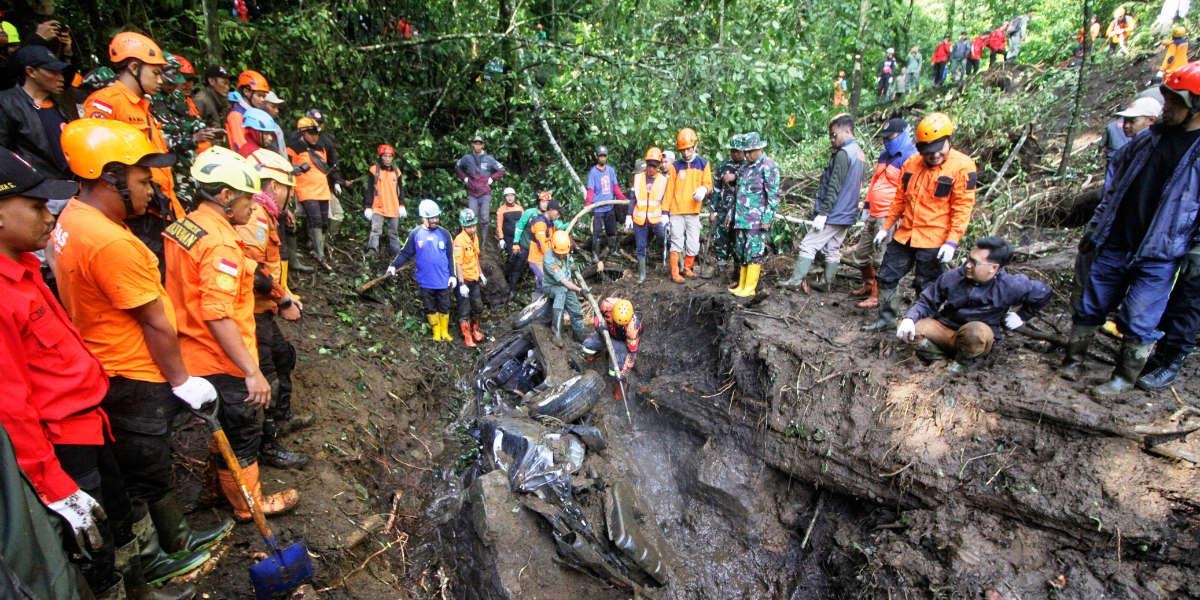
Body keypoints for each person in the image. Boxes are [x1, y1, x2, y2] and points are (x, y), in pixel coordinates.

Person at [0, 149, 207, 600]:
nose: (47, 215)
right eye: (35, 207)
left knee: (115, 516)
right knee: (90, 543)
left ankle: (142, 589)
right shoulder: (8, 289)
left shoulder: (25, 266)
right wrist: (53, 486)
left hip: (91, 414)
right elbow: (9, 403)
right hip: (63, 435)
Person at [54, 119, 237, 561]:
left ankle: (176, 538)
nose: (150, 190)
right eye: (140, 180)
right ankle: (153, 557)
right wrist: (181, 380)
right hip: (131, 370)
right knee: (144, 467)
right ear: (109, 177)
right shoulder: (109, 241)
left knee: (147, 463)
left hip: (108, 360)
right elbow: (154, 320)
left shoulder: (71, 220)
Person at [163, 147, 300, 521]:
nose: (252, 206)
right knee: (243, 429)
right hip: (220, 356)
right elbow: (218, 312)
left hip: (190, 346)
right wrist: (251, 371)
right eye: (246, 198)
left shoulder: (185, 226)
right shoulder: (220, 243)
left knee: (218, 423)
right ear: (225, 196)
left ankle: (217, 487)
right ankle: (247, 505)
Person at [1061, 62, 1200, 398]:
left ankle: (1123, 378)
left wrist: (1197, 248)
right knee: (1091, 303)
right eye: (1165, 98)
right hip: (1116, 241)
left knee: (1140, 317)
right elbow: (1114, 190)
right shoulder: (1145, 141)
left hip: (1160, 253)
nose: (1165, 106)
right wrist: (1096, 227)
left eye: (1173, 101)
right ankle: (1073, 358)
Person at [864, 113, 978, 331]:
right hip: (906, 233)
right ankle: (886, 320)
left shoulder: (963, 167)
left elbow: (962, 208)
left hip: (935, 238)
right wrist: (886, 226)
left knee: (927, 285)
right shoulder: (911, 164)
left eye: (938, 148)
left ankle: (923, 327)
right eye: (928, 150)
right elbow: (899, 199)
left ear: (949, 140)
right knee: (886, 275)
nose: (934, 155)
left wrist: (952, 241)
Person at [236, 149, 312, 469]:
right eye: (288, 189)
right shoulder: (255, 217)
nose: (289, 196)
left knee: (284, 356)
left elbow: (267, 268)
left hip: (263, 307)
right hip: (251, 311)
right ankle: (268, 444)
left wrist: (284, 296)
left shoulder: (264, 214)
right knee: (268, 377)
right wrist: (282, 300)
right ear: (275, 187)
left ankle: (282, 417)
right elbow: (250, 270)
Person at [897, 236, 1052, 372]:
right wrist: (909, 319)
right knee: (908, 329)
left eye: (975, 263)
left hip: (978, 337)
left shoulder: (1011, 285)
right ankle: (938, 359)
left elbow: (1044, 292)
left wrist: (1021, 316)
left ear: (994, 268)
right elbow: (926, 301)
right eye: (969, 259)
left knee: (974, 332)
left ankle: (960, 364)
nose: (968, 265)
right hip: (946, 329)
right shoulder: (953, 277)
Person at [82, 32, 185, 227]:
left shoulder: (144, 106)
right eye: (155, 73)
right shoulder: (107, 102)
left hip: (159, 204)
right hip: (132, 210)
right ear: (134, 67)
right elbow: (94, 162)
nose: (161, 81)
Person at [780, 114, 865, 292]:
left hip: (835, 212)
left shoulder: (844, 154)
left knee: (809, 244)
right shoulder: (859, 153)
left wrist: (824, 213)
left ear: (847, 131)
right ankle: (826, 283)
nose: (832, 139)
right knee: (833, 247)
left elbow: (834, 186)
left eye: (834, 135)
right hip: (848, 212)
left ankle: (795, 282)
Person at [846, 118, 917, 308]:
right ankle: (869, 284)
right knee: (861, 254)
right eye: (883, 138)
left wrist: (903, 218)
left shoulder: (912, 157)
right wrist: (867, 207)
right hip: (874, 214)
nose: (886, 142)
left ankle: (877, 296)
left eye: (890, 138)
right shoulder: (884, 155)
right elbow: (874, 183)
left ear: (902, 135)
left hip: (890, 216)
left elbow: (909, 193)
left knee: (881, 258)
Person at [0, 44, 75, 180]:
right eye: (53, 72)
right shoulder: (6, 103)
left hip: (71, 186)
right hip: (38, 190)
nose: (61, 78)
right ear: (31, 72)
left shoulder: (60, 104)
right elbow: (3, 155)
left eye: (62, 73)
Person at [387, 199, 456, 341]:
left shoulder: (445, 234)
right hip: (425, 280)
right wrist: (394, 265)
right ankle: (436, 331)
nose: (436, 220)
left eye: (437, 217)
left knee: (444, 305)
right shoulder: (415, 234)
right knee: (430, 306)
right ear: (424, 218)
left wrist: (452, 275)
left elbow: (451, 256)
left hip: (442, 279)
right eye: (432, 218)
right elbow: (405, 253)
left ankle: (445, 331)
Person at [729, 132, 780, 298]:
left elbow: (773, 195)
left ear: (759, 148)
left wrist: (767, 218)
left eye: (750, 151)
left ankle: (750, 287)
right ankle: (742, 284)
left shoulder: (768, 165)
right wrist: (732, 214)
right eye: (746, 152)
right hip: (741, 218)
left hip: (756, 220)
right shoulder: (745, 167)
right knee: (742, 251)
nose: (747, 154)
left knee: (754, 251)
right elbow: (738, 194)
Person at [665, 127, 713, 283]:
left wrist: (704, 189)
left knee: (693, 242)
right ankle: (675, 273)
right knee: (676, 242)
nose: (686, 153)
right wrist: (665, 212)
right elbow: (669, 190)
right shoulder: (675, 166)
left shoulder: (703, 164)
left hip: (693, 211)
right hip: (677, 211)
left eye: (688, 149)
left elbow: (708, 183)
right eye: (683, 150)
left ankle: (687, 268)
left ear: (694, 146)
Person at [288, 116, 333, 267]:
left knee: (325, 222)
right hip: (306, 190)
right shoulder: (294, 147)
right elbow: (289, 169)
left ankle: (323, 248)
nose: (314, 137)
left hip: (323, 189)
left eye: (316, 134)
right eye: (311, 133)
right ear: (302, 132)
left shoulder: (321, 147)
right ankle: (319, 253)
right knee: (316, 221)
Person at [582, 297, 642, 399]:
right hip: (606, 331)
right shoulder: (607, 305)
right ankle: (599, 352)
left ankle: (619, 386)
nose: (619, 325)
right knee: (588, 346)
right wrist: (599, 327)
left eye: (621, 324)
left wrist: (624, 373)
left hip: (621, 341)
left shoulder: (633, 330)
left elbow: (632, 354)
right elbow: (597, 313)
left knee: (616, 368)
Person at [627, 147, 669, 283]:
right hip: (639, 218)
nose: (652, 169)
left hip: (656, 218)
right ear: (647, 165)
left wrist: (665, 214)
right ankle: (642, 275)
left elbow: (666, 199)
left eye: (655, 166)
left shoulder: (663, 180)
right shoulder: (638, 178)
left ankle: (671, 265)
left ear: (658, 166)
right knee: (641, 246)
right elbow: (633, 198)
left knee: (665, 239)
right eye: (650, 166)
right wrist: (628, 215)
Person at [455, 135, 506, 245]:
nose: (477, 146)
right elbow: (457, 166)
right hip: (472, 192)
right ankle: (474, 240)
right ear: (472, 144)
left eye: (479, 143)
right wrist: (464, 178)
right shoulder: (467, 158)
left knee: (485, 217)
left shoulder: (489, 159)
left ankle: (484, 241)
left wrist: (492, 178)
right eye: (475, 143)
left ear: (482, 145)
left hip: (485, 193)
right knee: (472, 216)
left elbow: (501, 169)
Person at [539, 230, 587, 342]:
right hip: (552, 286)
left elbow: (568, 266)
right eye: (559, 253)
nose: (562, 255)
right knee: (560, 293)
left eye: (564, 253)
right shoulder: (549, 259)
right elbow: (564, 282)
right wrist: (580, 290)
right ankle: (556, 333)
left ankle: (581, 338)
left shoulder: (564, 250)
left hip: (567, 285)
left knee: (575, 308)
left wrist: (573, 269)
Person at [585, 145, 627, 264]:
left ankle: (613, 251)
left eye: (604, 156)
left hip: (609, 207)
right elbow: (590, 191)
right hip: (597, 208)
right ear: (596, 157)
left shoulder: (610, 170)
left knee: (612, 230)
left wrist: (623, 199)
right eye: (600, 156)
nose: (602, 158)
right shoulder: (593, 172)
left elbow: (615, 187)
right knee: (597, 233)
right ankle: (595, 255)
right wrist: (587, 205)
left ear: (607, 157)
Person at [712, 134, 745, 279]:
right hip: (723, 209)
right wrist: (713, 209)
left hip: (741, 212)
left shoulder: (748, 166)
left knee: (739, 241)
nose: (735, 154)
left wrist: (736, 177)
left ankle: (738, 272)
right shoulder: (723, 165)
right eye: (733, 150)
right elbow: (716, 189)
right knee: (721, 240)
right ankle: (722, 271)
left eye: (738, 151)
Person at [364, 144, 407, 256]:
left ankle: (396, 253)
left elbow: (401, 190)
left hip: (393, 206)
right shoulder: (374, 170)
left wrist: (402, 205)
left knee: (394, 232)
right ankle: (372, 250)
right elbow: (369, 189)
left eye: (390, 156)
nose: (387, 159)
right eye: (385, 156)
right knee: (375, 229)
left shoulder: (397, 172)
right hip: (378, 205)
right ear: (380, 157)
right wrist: (368, 206)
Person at [453, 208, 486, 348]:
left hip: (474, 279)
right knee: (464, 309)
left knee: (478, 306)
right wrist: (461, 284)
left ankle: (475, 329)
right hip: (465, 279)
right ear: (463, 226)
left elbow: (475, 257)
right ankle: (467, 337)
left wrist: (481, 273)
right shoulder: (459, 241)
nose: (472, 229)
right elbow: (458, 264)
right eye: (469, 226)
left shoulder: (475, 237)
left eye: (473, 226)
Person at [225, 69, 270, 155]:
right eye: (259, 95)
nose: (262, 100)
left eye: (263, 96)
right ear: (246, 91)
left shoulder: (254, 114)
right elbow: (240, 145)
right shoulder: (236, 115)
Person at [526, 198, 562, 300]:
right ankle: (537, 304)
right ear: (550, 210)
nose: (558, 216)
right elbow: (542, 245)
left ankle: (541, 303)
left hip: (545, 259)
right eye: (557, 213)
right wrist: (552, 260)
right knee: (546, 282)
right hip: (537, 260)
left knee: (543, 284)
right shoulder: (540, 224)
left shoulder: (550, 223)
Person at [496, 187, 524, 301]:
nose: (510, 197)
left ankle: (513, 287)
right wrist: (501, 238)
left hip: (520, 238)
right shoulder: (501, 209)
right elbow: (499, 224)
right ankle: (507, 279)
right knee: (512, 259)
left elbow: (525, 222)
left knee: (520, 260)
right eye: (508, 196)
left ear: (514, 196)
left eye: (512, 195)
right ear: (505, 197)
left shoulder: (519, 208)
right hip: (508, 238)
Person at [190, 65, 231, 129]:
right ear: (212, 81)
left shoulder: (218, 100)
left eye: (228, 84)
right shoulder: (200, 101)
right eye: (224, 83)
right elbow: (192, 129)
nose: (227, 88)